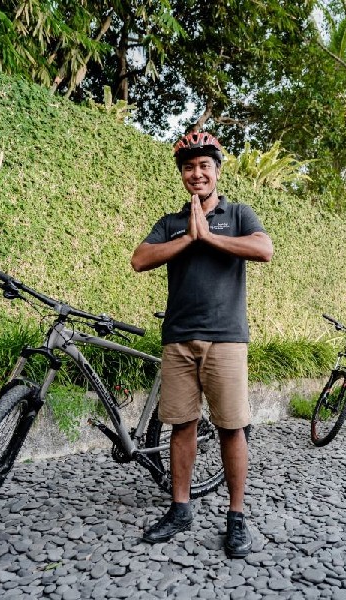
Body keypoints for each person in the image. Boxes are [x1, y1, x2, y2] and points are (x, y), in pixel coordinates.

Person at [130, 131, 273, 558]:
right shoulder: (171, 223)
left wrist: (209, 236)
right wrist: (188, 238)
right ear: (182, 175)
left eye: (204, 166)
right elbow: (139, 259)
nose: (197, 173)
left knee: (231, 427)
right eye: (189, 167)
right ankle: (180, 508)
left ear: (217, 171)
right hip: (178, 338)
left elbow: (263, 249)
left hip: (227, 339)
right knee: (182, 424)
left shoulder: (239, 213)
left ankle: (236, 517)